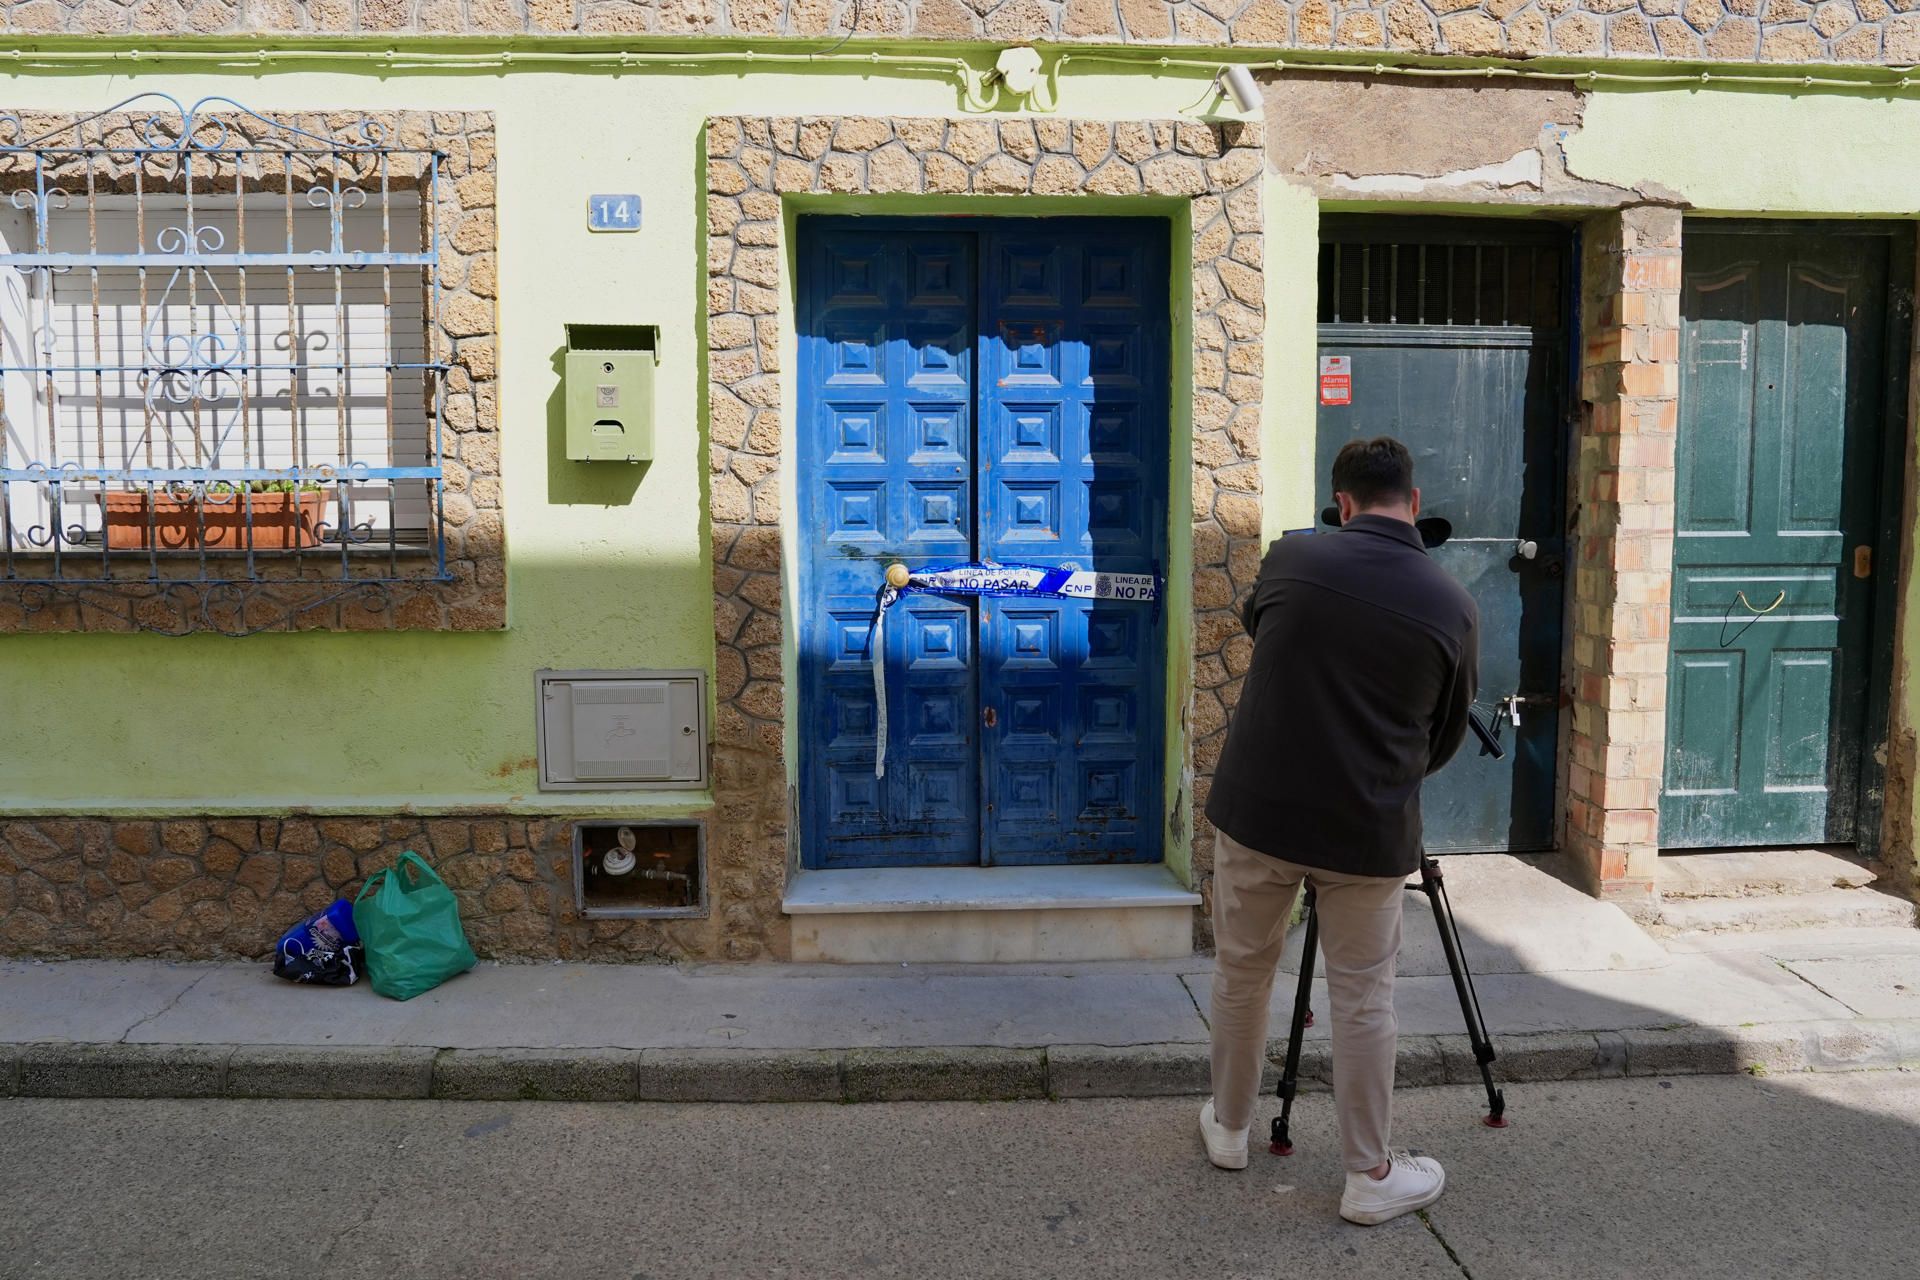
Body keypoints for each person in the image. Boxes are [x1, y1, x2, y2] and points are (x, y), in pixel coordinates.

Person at [1198, 435, 1479, 1226]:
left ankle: (1229, 1129)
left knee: (1241, 974)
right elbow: (1448, 734)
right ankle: (1370, 1174)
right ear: (1414, 506)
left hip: (1260, 812)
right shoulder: (1453, 605)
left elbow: (1268, 632)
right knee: (1362, 1000)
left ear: (1342, 503)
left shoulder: (1292, 560)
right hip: (1368, 826)